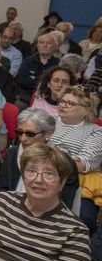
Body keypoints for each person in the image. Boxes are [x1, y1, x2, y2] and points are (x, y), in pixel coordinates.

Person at [0, 108, 79, 208]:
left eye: (30, 134)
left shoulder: (64, 163)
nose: (23, 139)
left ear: (48, 133)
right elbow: (1, 189)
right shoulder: (12, 153)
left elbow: (63, 203)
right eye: (19, 132)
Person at [48, 86, 102, 234]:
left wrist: (51, 159)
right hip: (43, 173)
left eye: (70, 103)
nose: (63, 105)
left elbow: (83, 163)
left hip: (76, 182)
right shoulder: (48, 122)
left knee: (85, 217)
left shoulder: (95, 131)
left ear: (85, 109)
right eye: (61, 101)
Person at [16, 33, 59, 108]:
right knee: (19, 104)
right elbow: (23, 81)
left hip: (49, 99)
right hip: (26, 98)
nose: (44, 45)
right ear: (37, 45)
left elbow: (57, 84)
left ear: (55, 47)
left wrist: (34, 79)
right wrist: (45, 82)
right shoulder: (27, 61)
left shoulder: (58, 64)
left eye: (48, 43)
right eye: (41, 43)